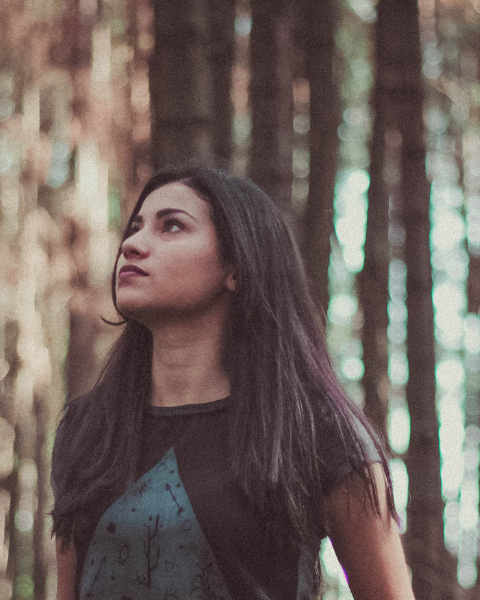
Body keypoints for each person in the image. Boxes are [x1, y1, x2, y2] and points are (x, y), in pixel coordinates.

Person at [51, 167, 415, 600]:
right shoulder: (87, 430)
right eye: (135, 227)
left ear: (237, 267)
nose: (132, 244)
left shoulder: (319, 432)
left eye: (171, 226)